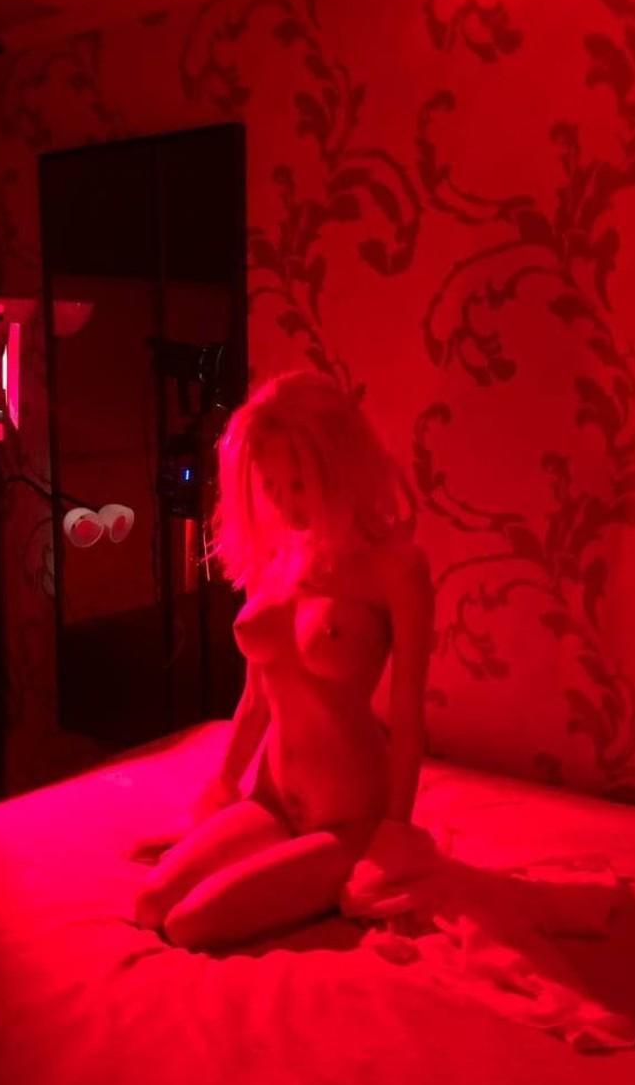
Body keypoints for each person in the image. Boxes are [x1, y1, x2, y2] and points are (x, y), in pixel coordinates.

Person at [132, 369, 434, 951]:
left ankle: (342, 855)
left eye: (298, 484)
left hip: (349, 814)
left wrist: (394, 839)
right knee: (150, 903)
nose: (285, 503)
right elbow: (256, 699)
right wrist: (221, 787)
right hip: (271, 798)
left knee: (192, 924)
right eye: (270, 486)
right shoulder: (277, 559)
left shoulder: (396, 568)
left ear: (338, 467)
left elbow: (407, 717)